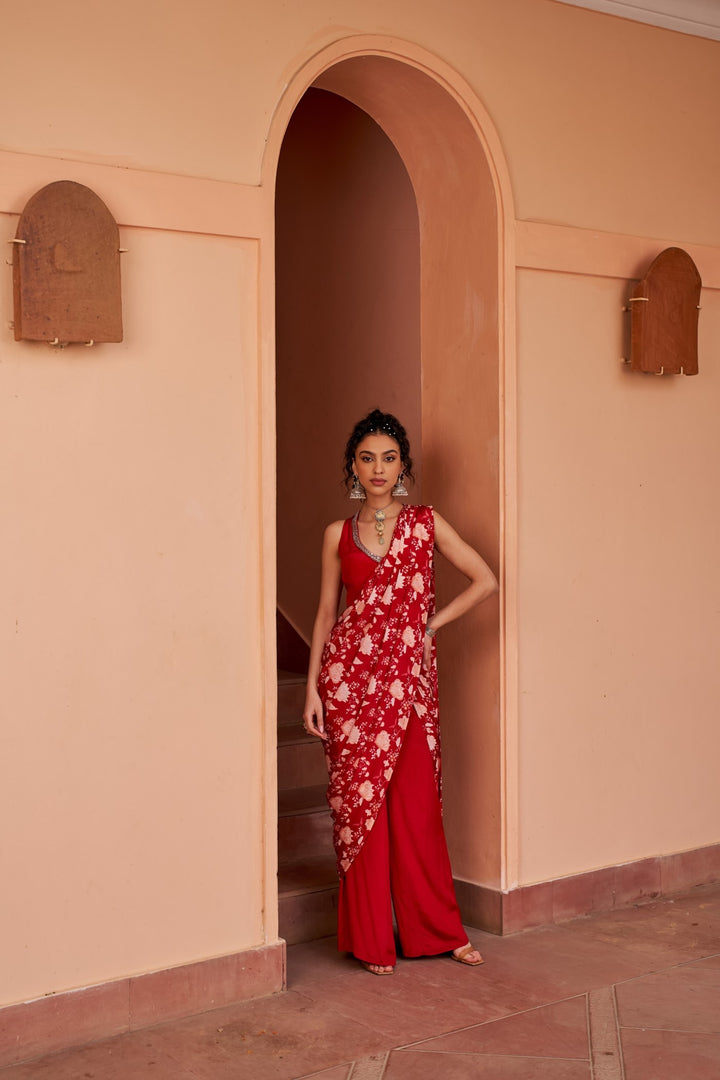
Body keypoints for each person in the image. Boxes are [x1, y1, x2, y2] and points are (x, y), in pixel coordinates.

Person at [302, 409, 498, 975]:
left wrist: (429, 627)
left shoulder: (425, 524)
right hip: (348, 689)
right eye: (367, 458)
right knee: (361, 811)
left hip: (407, 689)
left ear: (403, 465)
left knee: (415, 810)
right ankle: (370, 939)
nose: (378, 468)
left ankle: (437, 930)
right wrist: (312, 691)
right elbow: (323, 614)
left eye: (389, 457)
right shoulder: (337, 535)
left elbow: (485, 579)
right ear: (353, 467)